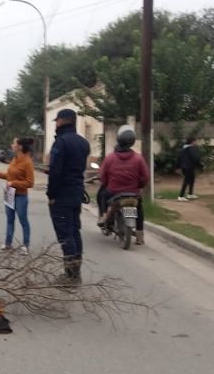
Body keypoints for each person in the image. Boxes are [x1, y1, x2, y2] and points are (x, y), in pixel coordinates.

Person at [47, 109, 90, 284]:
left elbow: (56, 172)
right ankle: (76, 271)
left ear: (63, 121)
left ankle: (70, 275)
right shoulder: (83, 143)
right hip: (76, 193)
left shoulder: (61, 143)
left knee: (65, 235)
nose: (56, 124)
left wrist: (51, 194)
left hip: (62, 195)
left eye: (57, 121)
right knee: (74, 231)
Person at [97, 125, 149, 245]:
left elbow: (102, 176)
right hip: (133, 192)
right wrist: (139, 186)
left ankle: (104, 216)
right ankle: (140, 235)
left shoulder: (110, 158)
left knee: (102, 195)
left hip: (113, 191)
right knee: (139, 208)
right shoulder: (138, 159)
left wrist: (106, 183)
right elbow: (145, 176)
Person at [0, 137, 35, 254]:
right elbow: (8, 176)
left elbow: (30, 182)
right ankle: (7, 244)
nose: (11, 145)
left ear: (20, 147)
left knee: (23, 220)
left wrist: (13, 183)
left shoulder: (27, 162)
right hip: (10, 195)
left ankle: (26, 245)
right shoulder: (14, 159)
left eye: (13, 143)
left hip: (21, 197)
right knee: (9, 220)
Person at [177, 137, 202, 201]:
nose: (196, 143)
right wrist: (200, 165)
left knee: (191, 179)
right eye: (195, 141)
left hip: (184, 166)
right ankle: (181, 196)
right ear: (192, 142)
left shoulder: (183, 148)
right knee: (186, 180)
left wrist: (178, 166)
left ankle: (190, 194)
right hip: (189, 166)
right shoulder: (191, 148)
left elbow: (179, 158)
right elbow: (195, 158)